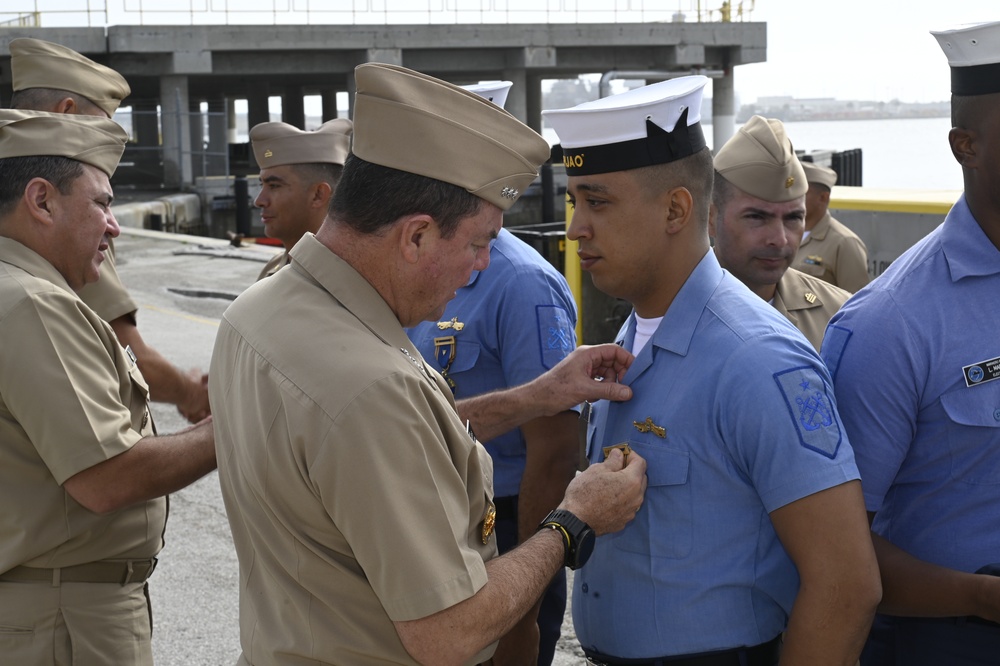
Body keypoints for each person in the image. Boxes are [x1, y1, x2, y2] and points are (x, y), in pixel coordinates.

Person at [209, 62, 648, 666]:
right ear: (415, 237)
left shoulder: (258, 310)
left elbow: (377, 445)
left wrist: (534, 397)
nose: (483, 266)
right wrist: (574, 520)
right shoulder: (371, 386)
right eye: (477, 242)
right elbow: (449, 633)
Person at [544, 75, 880, 665]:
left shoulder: (758, 359)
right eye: (575, 201)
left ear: (677, 208)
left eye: (597, 202)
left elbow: (846, 585)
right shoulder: (638, 331)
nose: (575, 227)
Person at [0, 109, 217, 665]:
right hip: (63, 620)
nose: (114, 226)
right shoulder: (32, 304)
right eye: (102, 203)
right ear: (42, 200)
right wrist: (237, 422)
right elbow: (106, 477)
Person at [821, 21, 1000, 665]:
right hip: (948, 638)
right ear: (965, 146)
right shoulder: (890, 325)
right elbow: (836, 547)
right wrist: (981, 598)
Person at [407, 80, 578, 666]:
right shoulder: (411, 262)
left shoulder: (522, 283)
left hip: (503, 526)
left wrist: (523, 611)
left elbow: (555, 450)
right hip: (426, 520)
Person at [8, 36, 211, 423]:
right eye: (103, 125)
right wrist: (191, 394)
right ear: (66, 112)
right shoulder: (67, 216)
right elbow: (124, 347)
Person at [711, 115, 851, 351]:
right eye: (756, 217)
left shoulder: (839, 314)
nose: (780, 239)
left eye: (793, 218)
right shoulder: (663, 313)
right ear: (710, 218)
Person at [249, 118, 352, 280]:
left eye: (274, 186)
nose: (259, 201)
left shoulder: (349, 277)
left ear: (318, 195)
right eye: (262, 185)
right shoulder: (273, 269)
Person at [793, 160, 870, 293]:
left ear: (823, 197)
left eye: (801, 193)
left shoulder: (844, 242)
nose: (793, 197)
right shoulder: (785, 234)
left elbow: (855, 301)